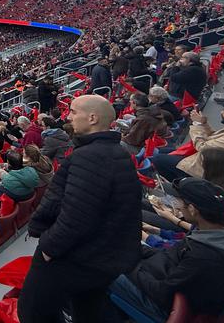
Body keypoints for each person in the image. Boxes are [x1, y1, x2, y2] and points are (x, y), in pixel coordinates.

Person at [19, 95, 142, 323]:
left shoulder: (91, 157)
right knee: (86, 310)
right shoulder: (115, 152)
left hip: (78, 257)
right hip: (100, 257)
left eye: (74, 112)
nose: (69, 116)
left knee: (32, 310)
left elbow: (77, 216)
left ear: (92, 118)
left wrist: (48, 248)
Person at [107, 177, 224, 320]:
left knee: (99, 264)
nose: (177, 207)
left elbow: (161, 293)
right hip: (159, 275)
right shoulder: (213, 233)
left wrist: (129, 265)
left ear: (192, 210)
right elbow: (171, 254)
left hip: (163, 305)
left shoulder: (204, 256)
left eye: (180, 203)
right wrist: (132, 249)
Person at [153, 100, 224, 181]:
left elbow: (203, 148)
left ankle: (181, 184)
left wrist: (197, 124)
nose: (221, 112)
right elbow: (213, 135)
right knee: (164, 151)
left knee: (157, 159)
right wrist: (203, 123)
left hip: (203, 168)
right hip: (200, 158)